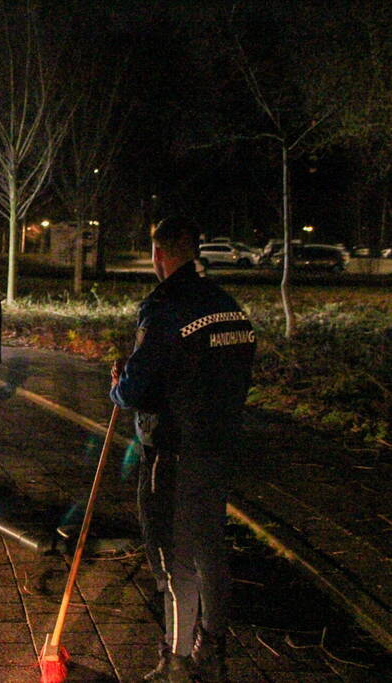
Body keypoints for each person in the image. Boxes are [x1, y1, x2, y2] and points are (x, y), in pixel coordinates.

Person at [109, 218, 255, 682]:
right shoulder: (228, 307)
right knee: (209, 548)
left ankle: (175, 661)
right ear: (194, 250)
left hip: (172, 450)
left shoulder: (165, 308)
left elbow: (135, 388)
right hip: (218, 446)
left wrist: (118, 386)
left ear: (159, 255)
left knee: (171, 559)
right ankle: (211, 647)